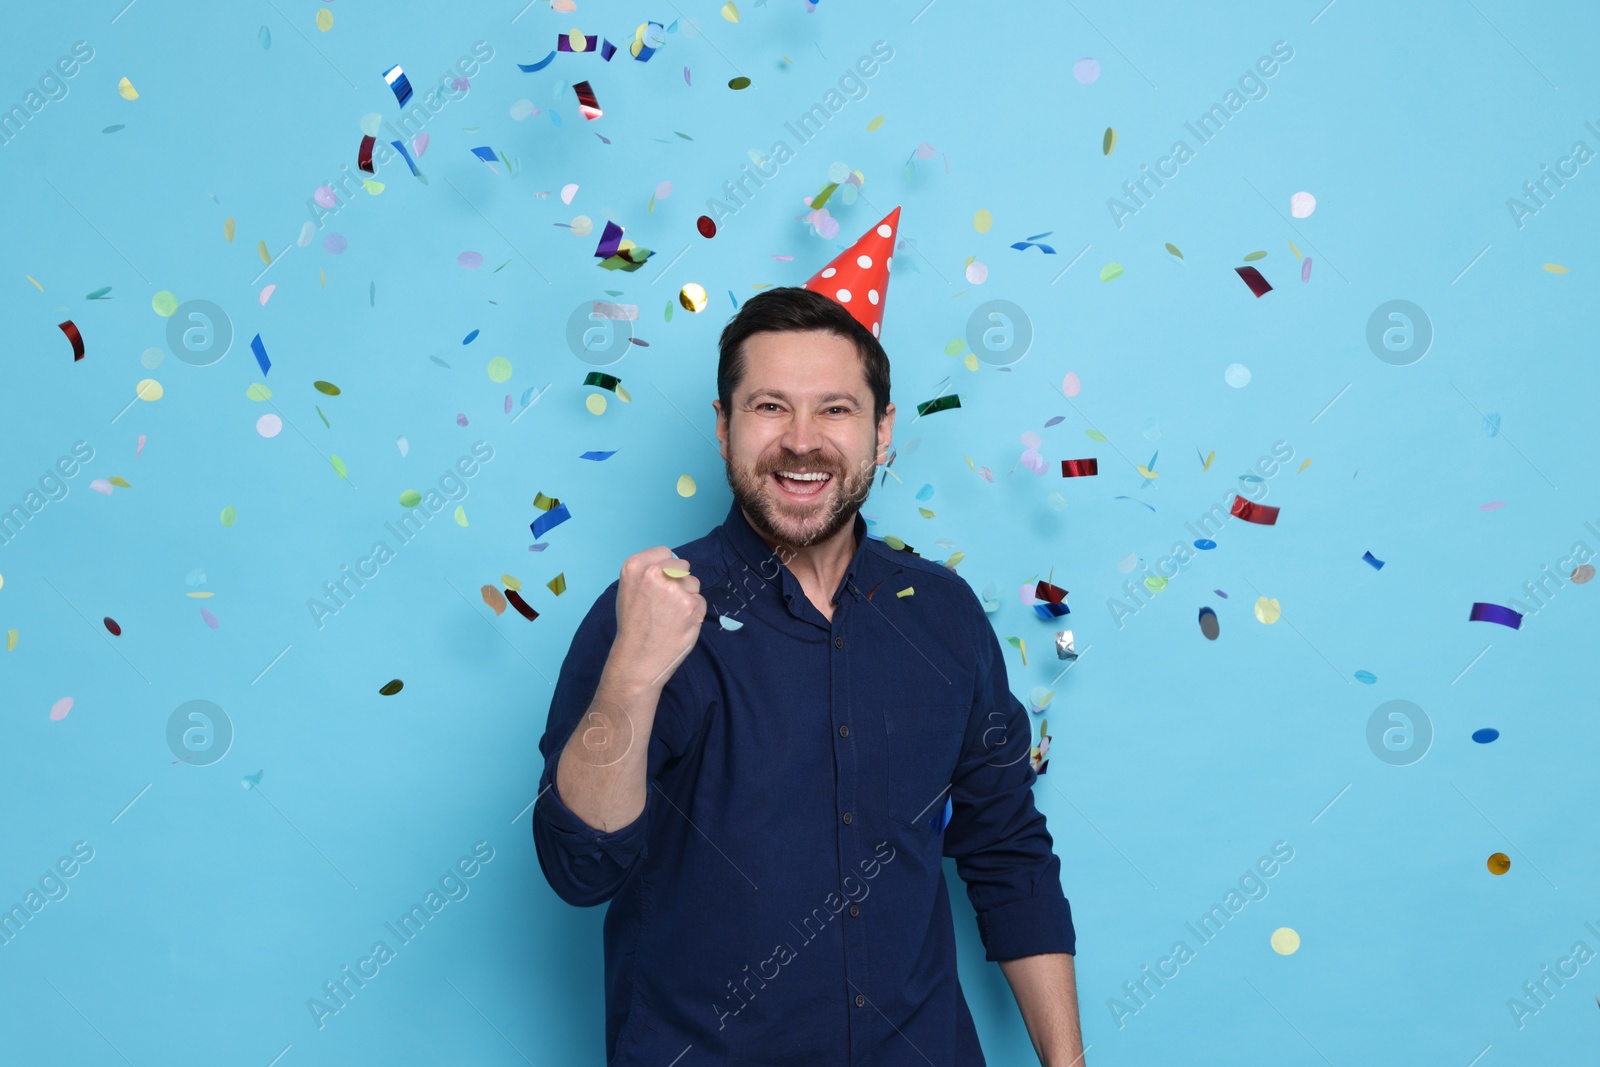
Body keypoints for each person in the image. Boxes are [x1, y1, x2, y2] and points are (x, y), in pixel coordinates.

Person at [533, 210, 1083, 1066]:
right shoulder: (644, 610)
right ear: (724, 427)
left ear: (883, 431)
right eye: (769, 407)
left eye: (835, 408)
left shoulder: (943, 614)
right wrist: (632, 682)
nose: (801, 440)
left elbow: (1007, 849)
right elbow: (580, 869)